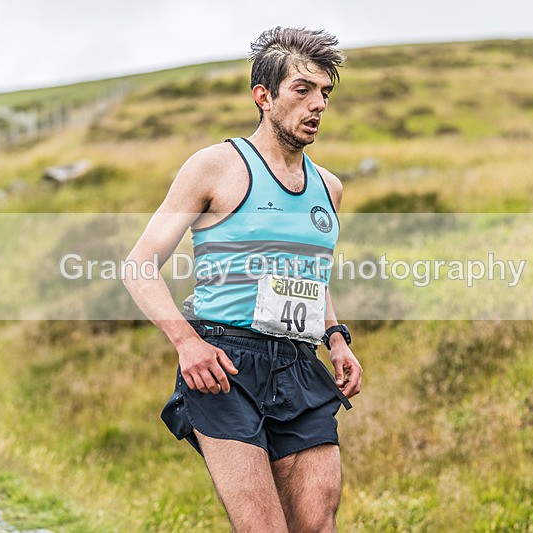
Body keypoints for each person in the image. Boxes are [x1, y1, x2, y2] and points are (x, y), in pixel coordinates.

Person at [123, 26, 362, 532]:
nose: (318, 104)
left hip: (299, 364)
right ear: (264, 96)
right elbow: (139, 265)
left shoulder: (330, 187)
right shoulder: (215, 167)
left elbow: (311, 278)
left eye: (325, 92)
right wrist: (186, 343)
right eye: (303, 90)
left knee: (317, 524)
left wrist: (336, 338)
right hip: (225, 365)